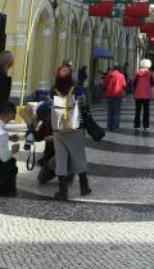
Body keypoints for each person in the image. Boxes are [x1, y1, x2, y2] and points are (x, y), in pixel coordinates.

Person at [48, 63, 94, 200]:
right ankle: (84, 187)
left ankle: (63, 192)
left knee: (61, 160)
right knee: (79, 157)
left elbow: (50, 106)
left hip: (58, 130)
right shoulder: (77, 90)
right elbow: (84, 106)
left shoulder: (53, 90)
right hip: (75, 129)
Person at [132, 59, 154, 131]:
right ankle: (146, 125)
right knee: (146, 111)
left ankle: (137, 125)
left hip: (138, 94)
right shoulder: (150, 73)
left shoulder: (137, 72)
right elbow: (152, 83)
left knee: (137, 111)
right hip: (147, 94)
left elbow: (134, 82)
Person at [102, 64, 127, 132]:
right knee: (116, 112)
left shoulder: (108, 75)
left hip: (109, 96)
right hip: (117, 96)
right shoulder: (121, 76)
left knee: (110, 112)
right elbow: (124, 85)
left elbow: (104, 85)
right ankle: (115, 128)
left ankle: (109, 127)